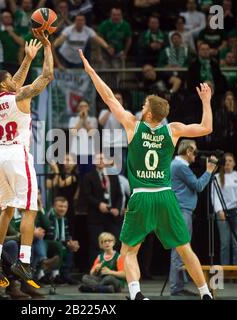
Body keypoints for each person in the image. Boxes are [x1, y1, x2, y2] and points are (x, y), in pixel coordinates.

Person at [79, 48, 214, 300]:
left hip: (141, 196)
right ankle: (206, 293)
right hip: (165, 196)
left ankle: (137, 294)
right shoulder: (173, 131)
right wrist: (206, 101)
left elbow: (108, 98)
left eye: (143, 105)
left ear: (149, 113)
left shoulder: (133, 125)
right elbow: (207, 127)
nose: (140, 107)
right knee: (185, 248)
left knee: (129, 251)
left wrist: (90, 71)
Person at [0, 30, 54, 289]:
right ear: (5, 84)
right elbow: (47, 76)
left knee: (8, 209)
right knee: (30, 208)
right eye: (9, 79)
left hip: (0, 155)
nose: (14, 80)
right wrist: (47, 47)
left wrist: (27, 58)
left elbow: (14, 82)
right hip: (17, 154)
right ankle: (23, 261)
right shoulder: (20, 96)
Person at [169, 139, 217, 296]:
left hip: (182, 210)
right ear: (188, 151)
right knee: (181, 249)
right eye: (195, 152)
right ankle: (177, 287)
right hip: (182, 211)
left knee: (181, 248)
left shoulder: (176, 165)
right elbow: (198, 185)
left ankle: (178, 285)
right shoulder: (180, 166)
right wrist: (209, 170)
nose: (196, 156)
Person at [211, 153, 237, 265]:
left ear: (234, 163)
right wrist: (219, 210)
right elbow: (215, 195)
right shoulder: (216, 177)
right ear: (222, 163)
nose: (228, 163)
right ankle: (225, 272)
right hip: (222, 212)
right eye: (226, 161)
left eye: (230, 160)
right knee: (225, 243)